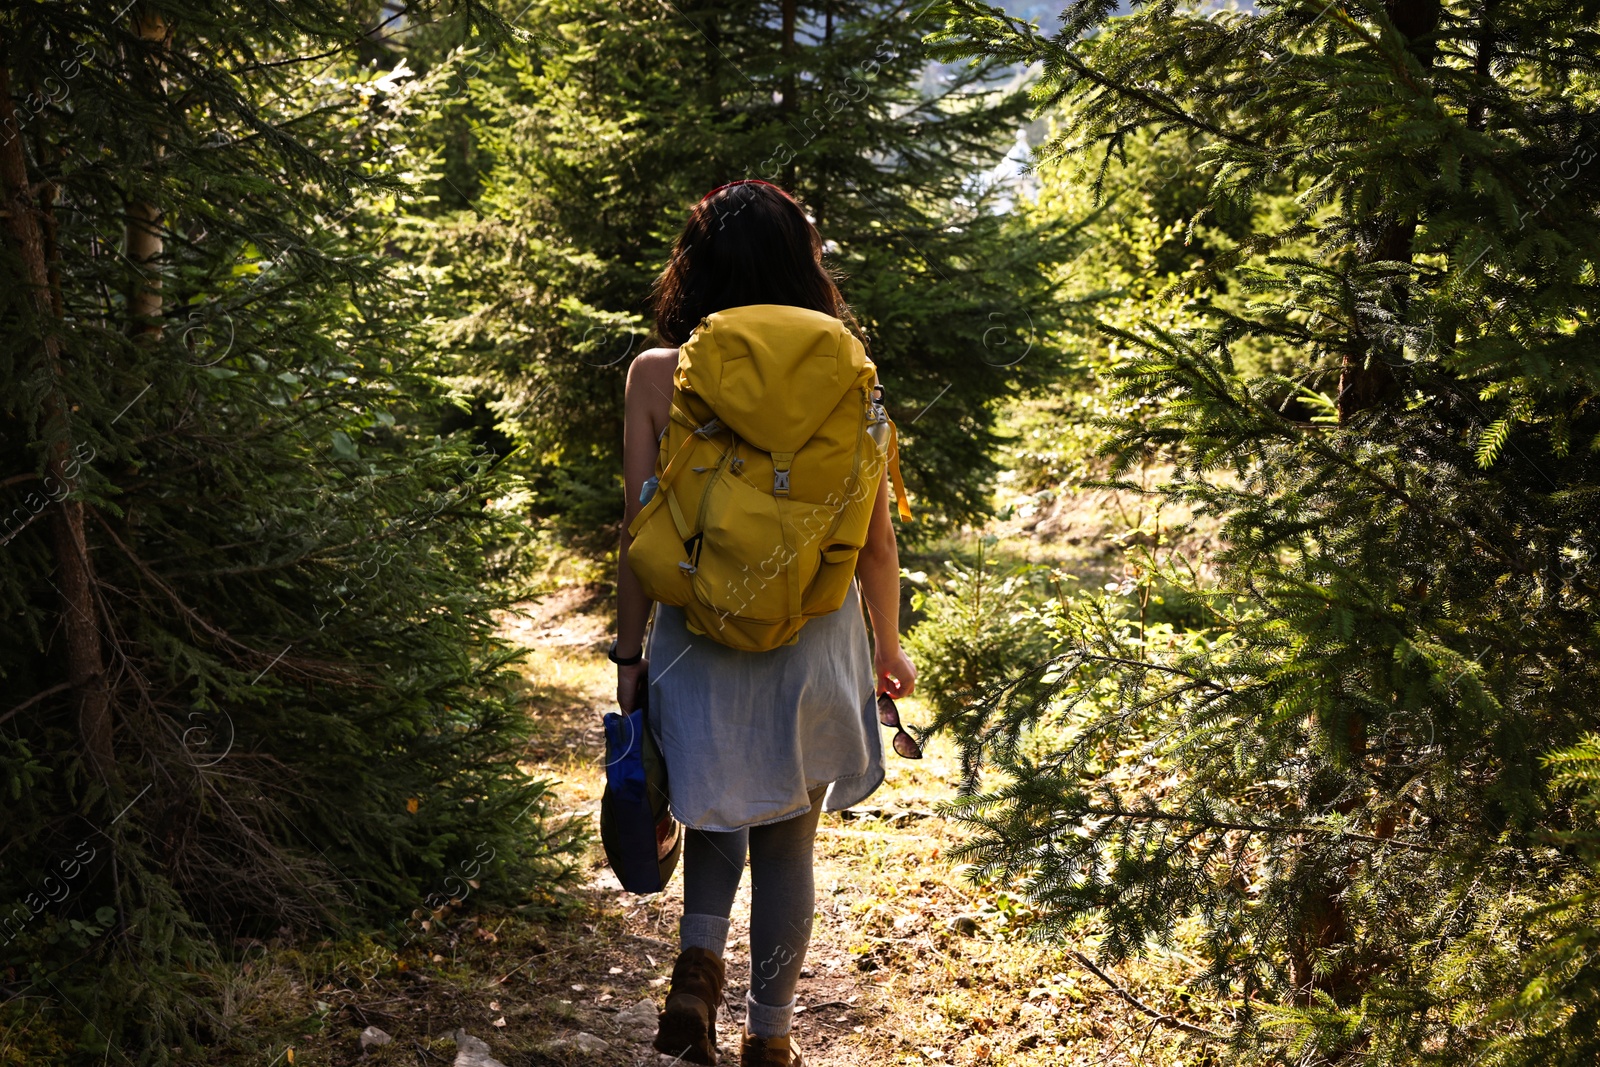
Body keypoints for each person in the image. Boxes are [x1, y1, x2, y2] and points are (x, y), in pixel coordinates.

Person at [611, 179, 917, 1067]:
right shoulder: (847, 365)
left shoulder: (657, 375)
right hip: (813, 635)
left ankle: (697, 962)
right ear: (801, 263)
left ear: (695, 269)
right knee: (787, 839)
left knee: (714, 812)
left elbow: (636, 530)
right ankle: (769, 1039)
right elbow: (874, 540)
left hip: (697, 636)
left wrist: (629, 659)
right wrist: (887, 647)